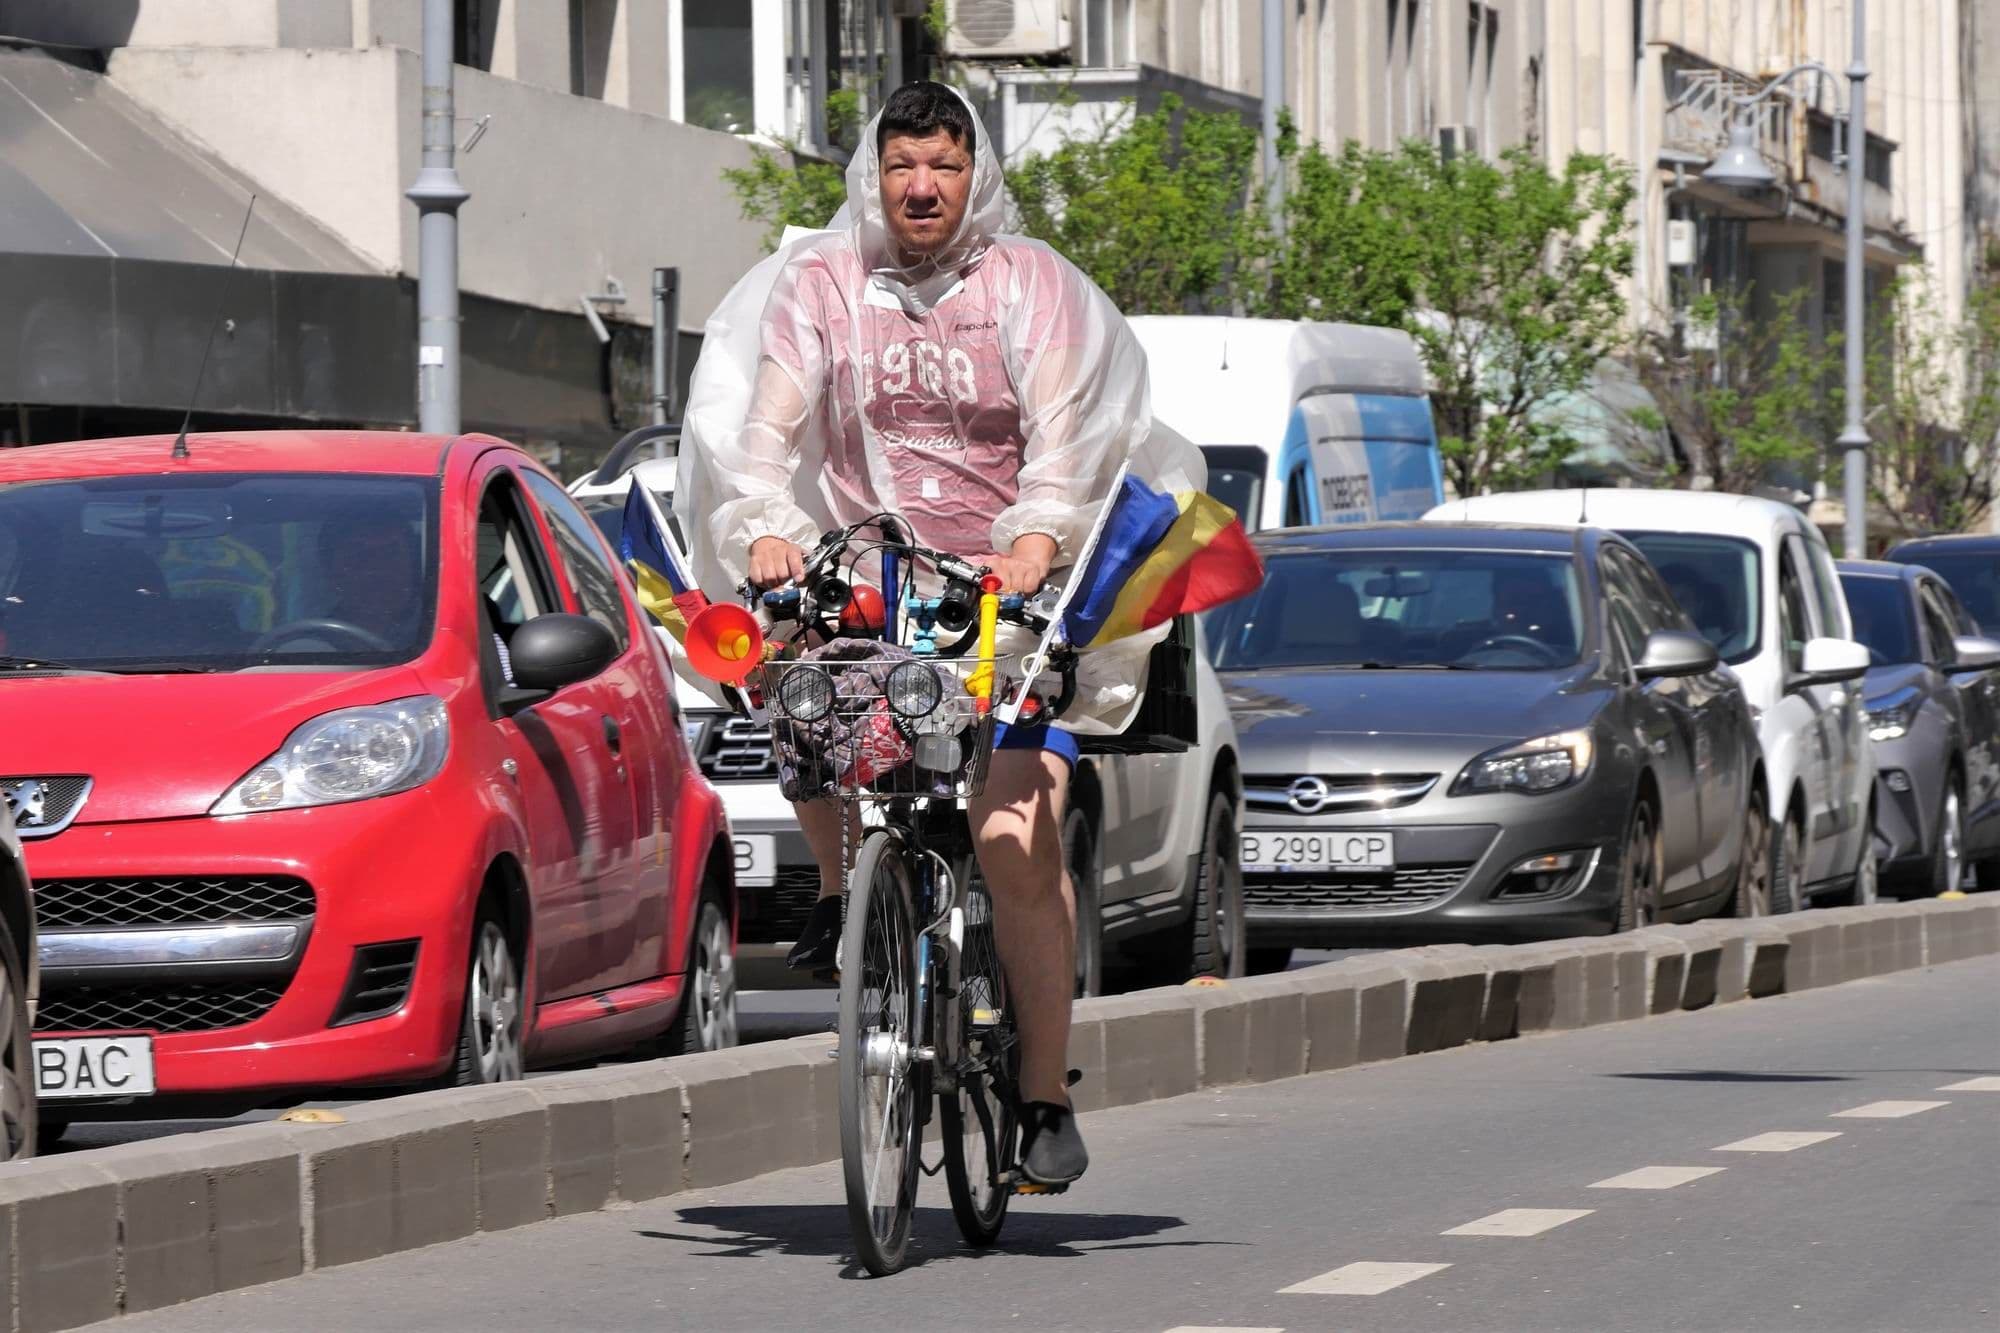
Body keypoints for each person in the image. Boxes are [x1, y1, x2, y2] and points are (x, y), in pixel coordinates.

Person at [674, 80, 1199, 1189]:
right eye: (902, 165)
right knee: (795, 685)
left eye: (944, 167)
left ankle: (1045, 1095)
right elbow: (763, 428)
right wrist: (767, 527)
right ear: (874, 174)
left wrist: (1038, 539)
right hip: (869, 571)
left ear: (976, 177)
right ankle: (836, 887)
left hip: (1009, 597)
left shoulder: (1029, 286)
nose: (921, 187)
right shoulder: (821, 282)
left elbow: (1067, 436)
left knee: (1012, 835)